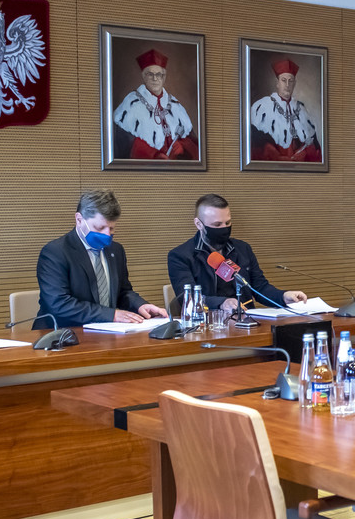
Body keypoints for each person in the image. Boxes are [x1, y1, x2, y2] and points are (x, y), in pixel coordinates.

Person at [35, 190, 166, 328]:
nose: (107, 234)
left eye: (111, 228)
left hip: (107, 332)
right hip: (62, 332)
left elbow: (122, 292)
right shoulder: (55, 252)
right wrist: (111, 315)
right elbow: (59, 303)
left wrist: (140, 305)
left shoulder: (116, 250)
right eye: (100, 228)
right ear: (79, 219)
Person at [166, 194, 305, 313]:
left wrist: (283, 296)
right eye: (217, 225)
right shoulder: (180, 256)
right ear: (198, 224)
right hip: (207, 323)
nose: (224, 228)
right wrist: (222, 303)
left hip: (246, 321)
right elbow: (188, 297)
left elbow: (260, 288)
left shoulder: (242, 249)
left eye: (227, 223)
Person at [111, 49, 198, 161]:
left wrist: (182, 146)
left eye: (158, 74)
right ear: (143, 76)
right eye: (150, 74)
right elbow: (123, 146)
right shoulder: (131, 104)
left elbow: (194, 145)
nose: (155, 78)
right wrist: (153, 155)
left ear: (164, 77)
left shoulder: (175, 106)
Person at [248, 58, 321, 163]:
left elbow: (315, 149)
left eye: (290, 81)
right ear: (277, 83)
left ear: (294, 83)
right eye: (283, 80)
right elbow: (256, 148)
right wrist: (277, 157)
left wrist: (305, 153)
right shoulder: (262, 106)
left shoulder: (302, 108)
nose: (287, 85)